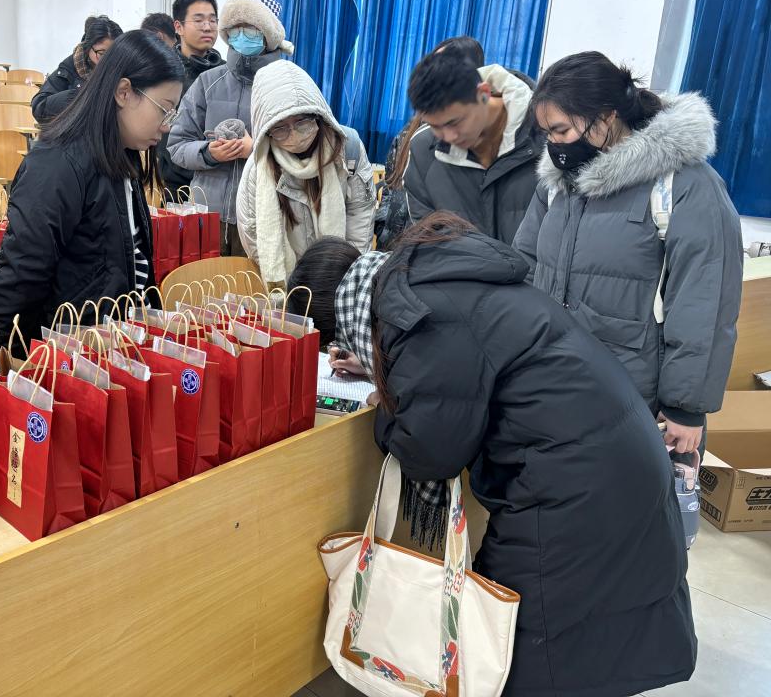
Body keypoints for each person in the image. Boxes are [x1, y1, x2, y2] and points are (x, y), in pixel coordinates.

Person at [286, 216, 697, 697]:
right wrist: (385, 368)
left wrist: (386, 402)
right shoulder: (422, 282)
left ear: (345, 317)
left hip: (574, 485)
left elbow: (429, 450)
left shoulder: (416, 319)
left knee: (519, 643)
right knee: (589, 639)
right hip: (613, 457)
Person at [514, 51, 743, 457]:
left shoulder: (685, 186)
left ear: (606, 117)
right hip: (552, 390)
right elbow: (525, 269)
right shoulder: (557, 185)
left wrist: (686, 407)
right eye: (546, 133)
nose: (553, 144)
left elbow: (705, 302)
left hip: (635, 402)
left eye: (561, 130)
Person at [0, 31, 183, 350]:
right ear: (124, 92)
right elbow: (19, 277)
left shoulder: (122, 154)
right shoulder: (58, 163)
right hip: (72, 355)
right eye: (164, 109)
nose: (167, 125)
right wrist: (18, 361)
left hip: (112, 344)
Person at [167, 0, 294, 256]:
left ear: (268, 32)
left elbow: (307, 153)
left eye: (251, 29)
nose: (242, 35)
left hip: (264, 217)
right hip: (207, 215)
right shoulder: (208, 82)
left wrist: (256, 151)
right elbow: (177, 144)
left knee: (255, 283)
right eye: (236, 28)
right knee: (203, 281)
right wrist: (208, 152)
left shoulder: (287, 84)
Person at [235, 60, 375, 285]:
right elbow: (252, 231)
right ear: (266, 130)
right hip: (289, 279)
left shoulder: (348, 149)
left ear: (317, 115)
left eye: (301, 121)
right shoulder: (258, 167)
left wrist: (347, 274)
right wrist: (289, 283)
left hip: (339, 273)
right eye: (280, 127)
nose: (294, 134)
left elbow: (360, 216)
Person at [403, 48, 543, 244]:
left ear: (483, 94)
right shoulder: (424, 150)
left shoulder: (545, 136)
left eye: (454, 122)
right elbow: (427, 241)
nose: (449, 137)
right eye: (435, 126)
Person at [157, 0, 227, 198]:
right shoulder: (163, 72)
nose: (207, 27)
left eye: (212, 20)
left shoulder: (225, 72)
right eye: (198, 20)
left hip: (217, 181)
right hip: (173, 184)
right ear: (178, 27)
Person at [31, 15, 124, 122]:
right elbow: (39, 107)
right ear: (88, 47)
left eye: (113, 53)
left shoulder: (123, 67)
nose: (108, 59)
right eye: (102, 53)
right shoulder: (70, 68)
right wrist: (78, 97)